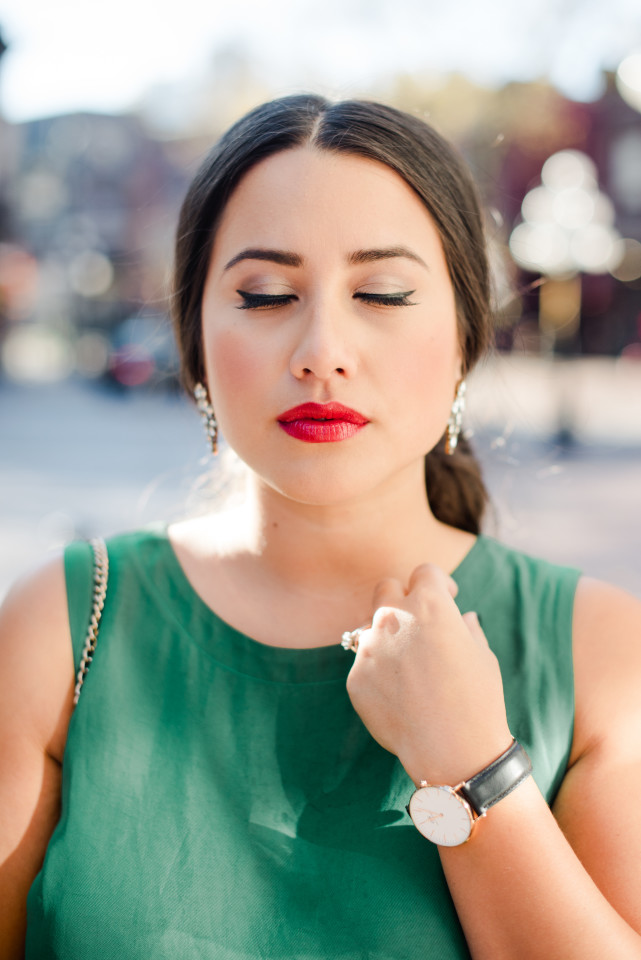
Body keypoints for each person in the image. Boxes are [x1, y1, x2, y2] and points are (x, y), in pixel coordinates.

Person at [1, 94, 641, 960]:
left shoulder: (601, 653)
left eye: (381, 292)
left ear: (463, 339)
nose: (322, 349)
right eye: (265, 295)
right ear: (193, 336)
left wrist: (471, 765)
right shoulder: (63, 626)